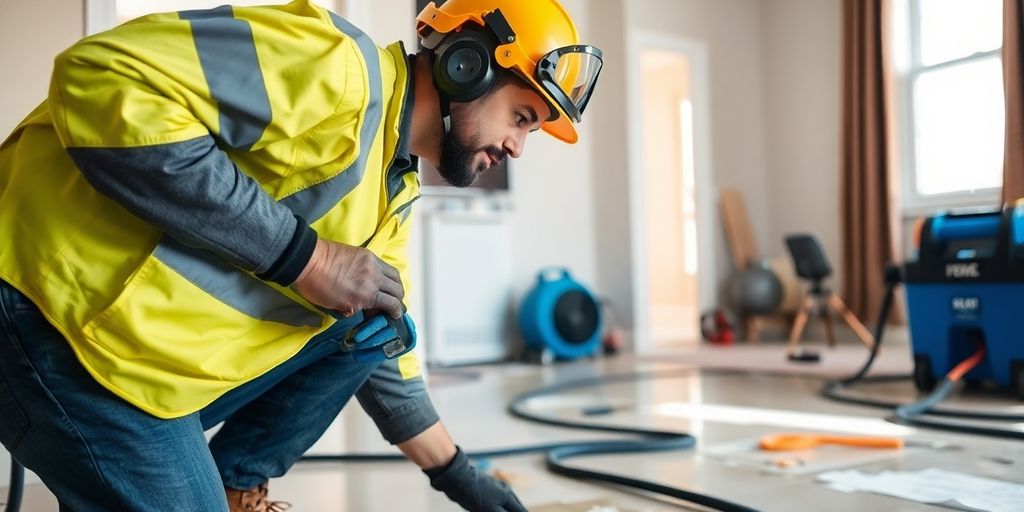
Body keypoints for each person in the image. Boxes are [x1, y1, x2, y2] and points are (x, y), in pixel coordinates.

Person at [0, 0, 602, 510]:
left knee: (375, 321)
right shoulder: (336, 66)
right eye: (523, 118)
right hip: (45, 317)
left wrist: (458, 477)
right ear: (465, 65)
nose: (519, 147)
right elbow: (98, 75)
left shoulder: (394, 182)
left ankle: (234, 487)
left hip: (134, 359)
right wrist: (306, 259)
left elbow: (382, 353)